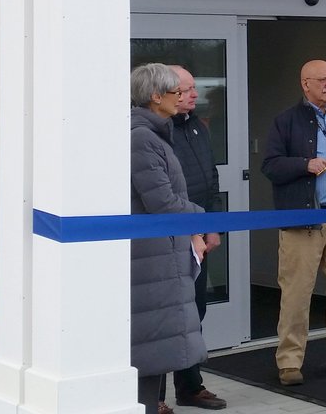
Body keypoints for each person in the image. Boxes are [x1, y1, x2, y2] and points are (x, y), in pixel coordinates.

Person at [261, 59, 326, 386]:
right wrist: (305, 164)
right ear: (304, 83)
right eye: (322, 79)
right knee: (297, 294)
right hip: (303, 220)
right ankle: (290, 361)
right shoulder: (286, 121)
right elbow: (270, 165)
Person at [130, 63, 208, 414]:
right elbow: (160, 201)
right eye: (175, 92)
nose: (182, 98)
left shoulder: (156, 133)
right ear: (155, 96)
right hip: (152, 256)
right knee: (150, 343)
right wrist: (201, 218)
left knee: (156, 344)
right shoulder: (142, 137)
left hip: (163, 253)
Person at [167, 65, 227, 410]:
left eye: (194, 89)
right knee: (167, 315)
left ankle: (190, 386)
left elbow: (210, 178)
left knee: (194, 311)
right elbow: (165, 191)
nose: (194, 95)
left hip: (200, 234)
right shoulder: (156, 132)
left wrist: (212, 226)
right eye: (187, 90)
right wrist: (193, 231)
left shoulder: (198, 128)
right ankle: (154, 396)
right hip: (172, 236)